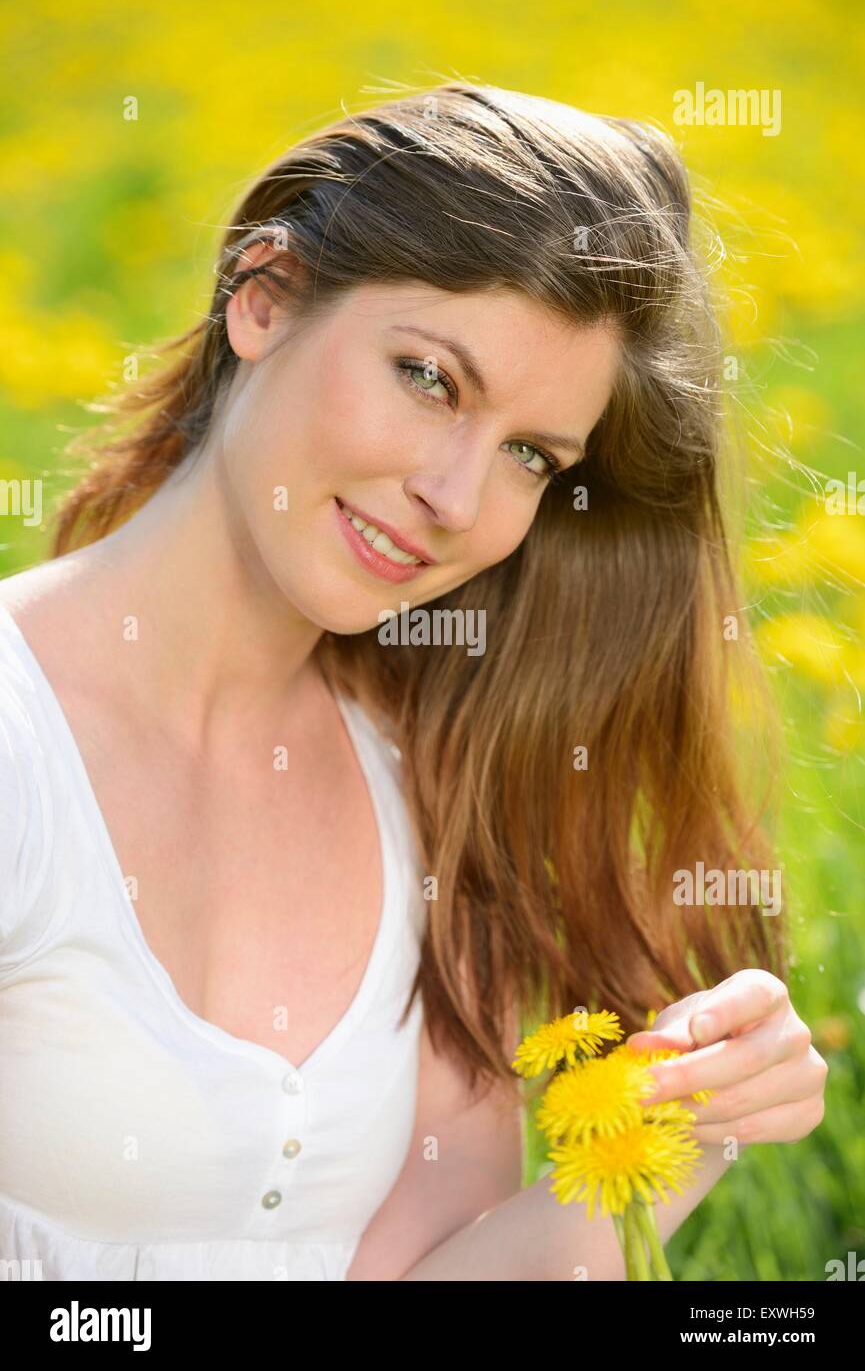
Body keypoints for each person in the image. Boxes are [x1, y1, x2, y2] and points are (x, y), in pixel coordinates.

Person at [0, 82, 826, 1282]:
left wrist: (689, 1127)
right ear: (265, 299)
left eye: (529, 457)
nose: (454, 496)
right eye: (430, 378)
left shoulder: (429, 774)